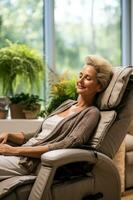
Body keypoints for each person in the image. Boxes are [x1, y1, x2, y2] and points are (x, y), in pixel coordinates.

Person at [0, 55, 113, 180]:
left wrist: (14, 151)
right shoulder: (67, 104)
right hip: (21, 151)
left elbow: (69, 143)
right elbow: (41, 134)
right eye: (80, 75)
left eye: (88, 78)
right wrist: (9, 135)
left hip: (28, 162)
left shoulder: (91, 113)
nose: (80, 81)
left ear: (99, 86)